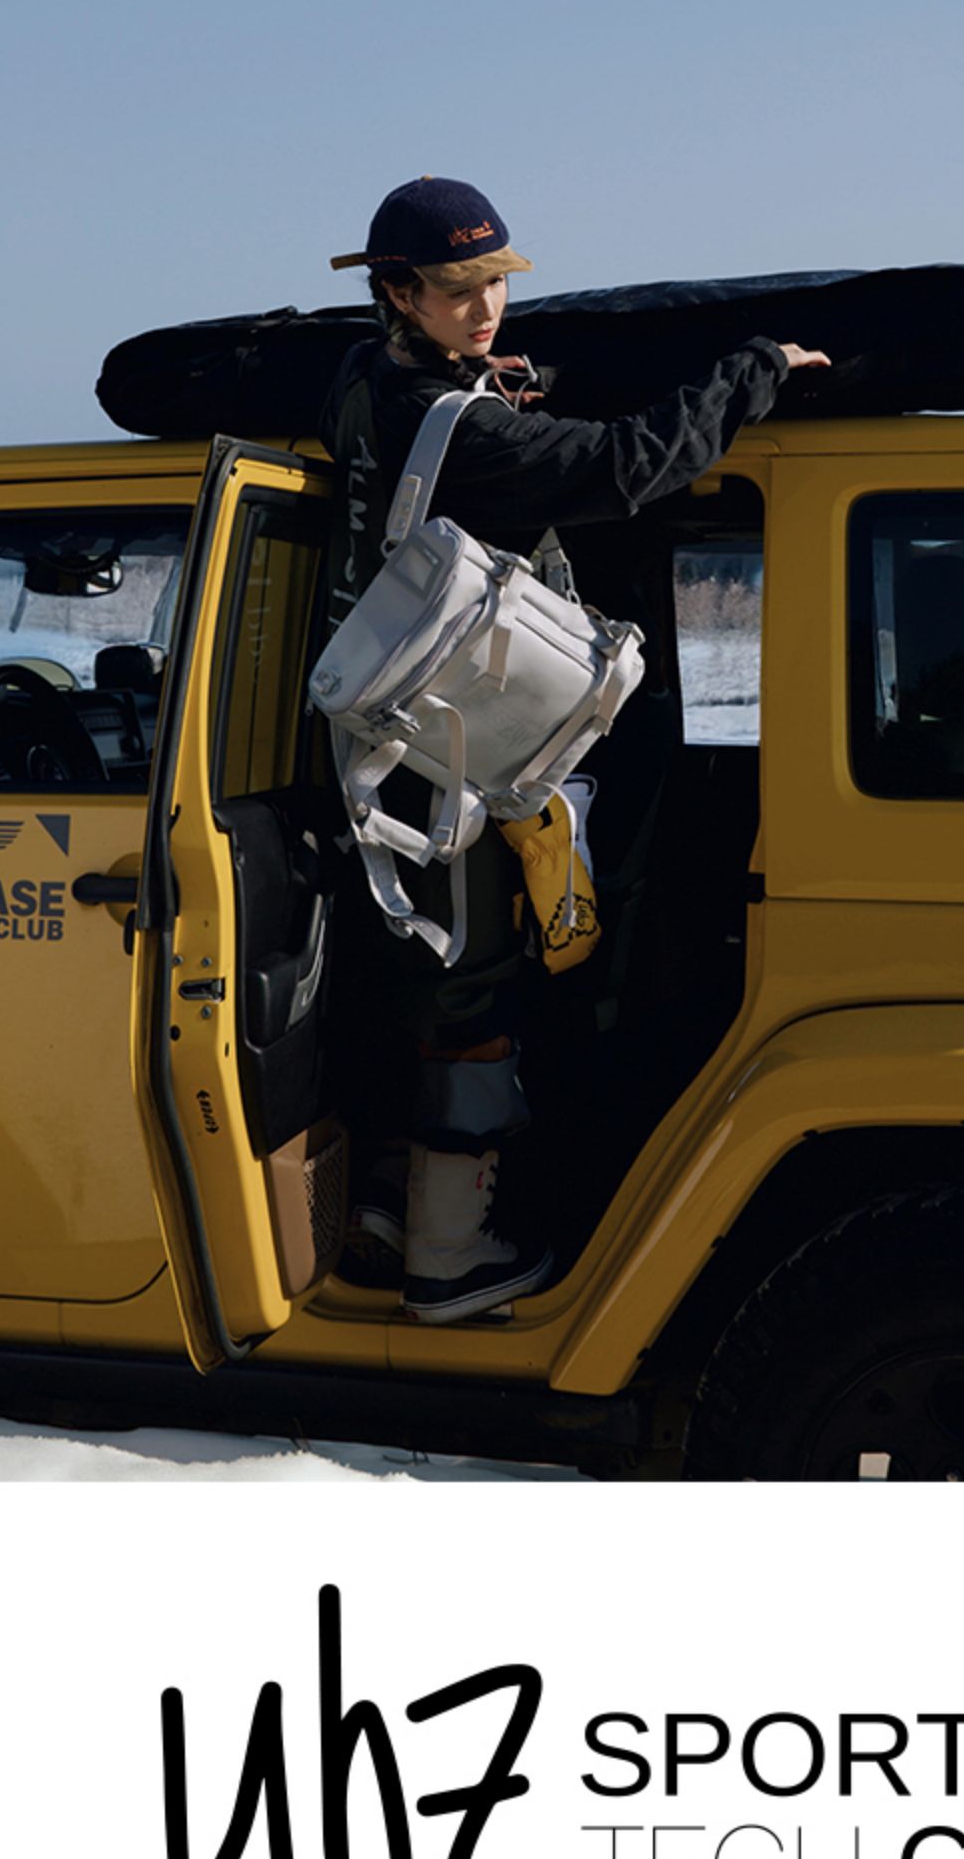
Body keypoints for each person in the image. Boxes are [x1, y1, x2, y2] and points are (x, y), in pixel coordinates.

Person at [320, 174, 828, 1323]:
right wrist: (753, 372)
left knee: (409, 977)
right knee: (472, 991)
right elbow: (624, 466)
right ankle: (452, 1259)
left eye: (498, 282)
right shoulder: (467, 433)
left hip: (374, 745)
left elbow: (423, 421)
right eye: (458, 289)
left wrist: (481, 382)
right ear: (398, 292)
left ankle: (391, 1201)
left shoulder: (359, 384)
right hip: (447, 764)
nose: (486, 306)